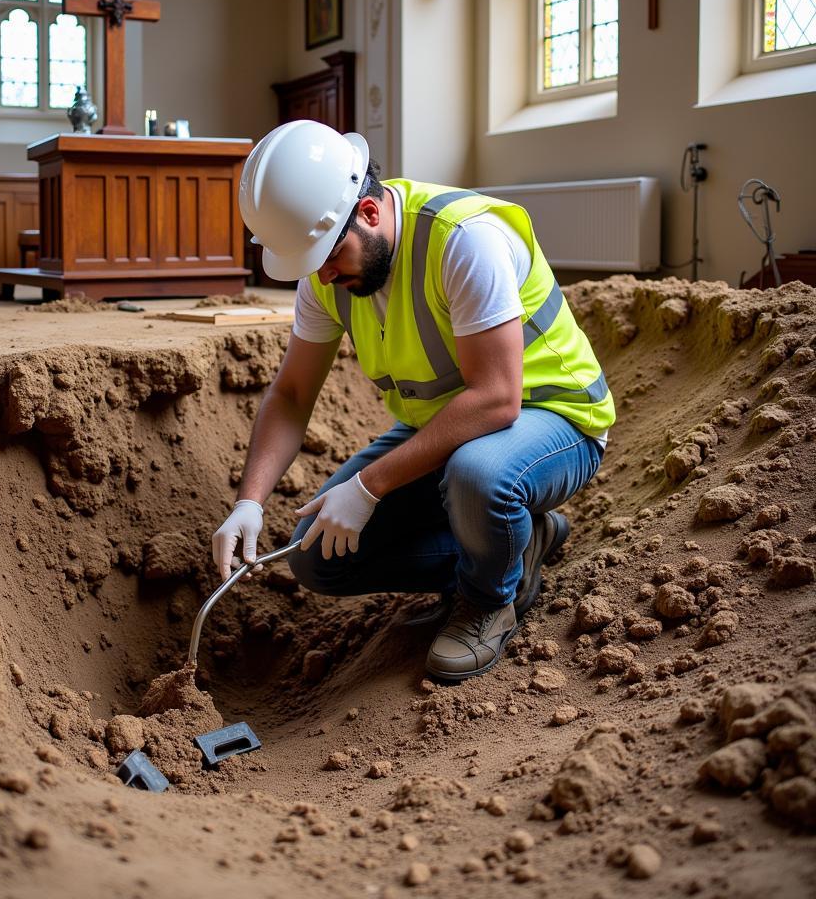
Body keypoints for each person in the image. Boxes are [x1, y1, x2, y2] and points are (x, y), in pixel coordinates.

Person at [212, 120, 615, 682]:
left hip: (552, 416)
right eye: (311, 264)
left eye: (329, 256)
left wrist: (370, 485)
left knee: (480, 476)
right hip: (451, 426)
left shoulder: (461, 240)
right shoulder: (326, 272)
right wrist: (249, 501)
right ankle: (516, 544)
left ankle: (488, 599)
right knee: (314, 556)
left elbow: (497, 399)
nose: (323, 276)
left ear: (370, 213)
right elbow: (293, 393)